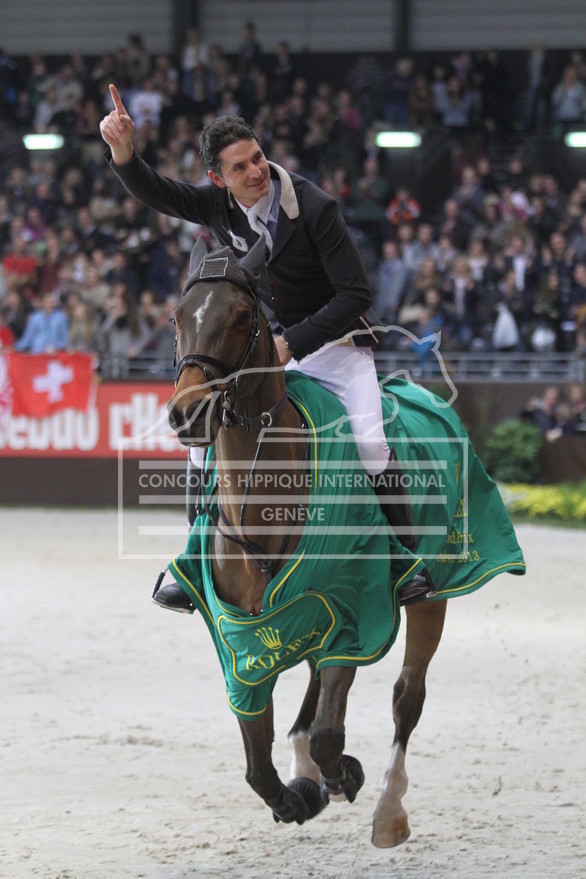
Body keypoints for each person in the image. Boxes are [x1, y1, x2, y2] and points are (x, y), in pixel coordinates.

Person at [100, 84, 435, 609]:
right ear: (219, 179)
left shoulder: (317, 208)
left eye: (258, 158)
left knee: (370, 446)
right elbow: (160, 193)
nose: (256, 172)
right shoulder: (217, 207)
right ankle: (191, 563)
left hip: (336, 345)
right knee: (198, 445)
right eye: (240, 168)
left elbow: (357, 294)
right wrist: (123, 152)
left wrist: (293, 344)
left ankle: (403, 559)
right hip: (264, 348)